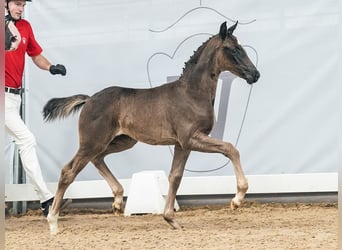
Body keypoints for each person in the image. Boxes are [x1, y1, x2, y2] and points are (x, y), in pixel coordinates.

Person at [5, 0, 71, 216]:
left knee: (25, 142)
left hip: (14, 98)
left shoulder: (25, 27)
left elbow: (34, 55)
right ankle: (46, 200)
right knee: (27, 140)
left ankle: (45, 200)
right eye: (16, 4)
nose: (20, 9)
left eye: (23, 5)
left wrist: (51, 67)